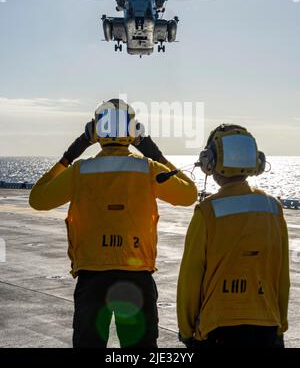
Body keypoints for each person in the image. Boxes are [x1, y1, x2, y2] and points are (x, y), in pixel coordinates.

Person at [29, 98, 198, 348]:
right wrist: (154, 152)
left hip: (92, 277)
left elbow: (37, 199)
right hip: (136, 275)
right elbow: (189, 194)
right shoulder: (148, 169)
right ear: (133, 131)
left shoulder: (80, 171)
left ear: (96, 131)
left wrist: (71, 154)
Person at [177, 124, 290, 348]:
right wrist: (280, 323)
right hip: (267, 325)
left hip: (217, 328)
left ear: (210, 161)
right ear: (256, 161)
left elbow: (191, 276)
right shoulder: (273, 208)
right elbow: (281, 275)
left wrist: (187, 329)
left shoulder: (207, 212)